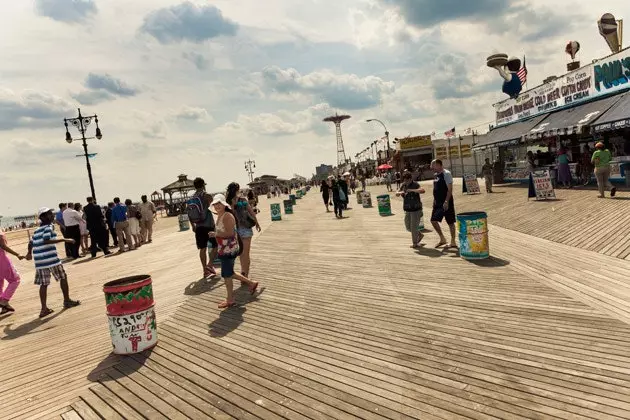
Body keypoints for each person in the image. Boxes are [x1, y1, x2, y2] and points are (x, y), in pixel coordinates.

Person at [26, 208, 80, 318]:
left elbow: (31, 243)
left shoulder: (37, 230)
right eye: (49, 214)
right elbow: (46, 240)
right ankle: (67, 301)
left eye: (51, 213)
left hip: (40, 261)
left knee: (44, 284)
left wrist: (29, 254)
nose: (52, 215)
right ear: (43, 217)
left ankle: (44, 309)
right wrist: (65, 240)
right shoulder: (49, 227)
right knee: (63, 277)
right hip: (50, 259)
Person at [210, 194, 258, 309]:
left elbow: (230, 233)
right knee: (228, 273)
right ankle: (248, 285)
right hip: (225, 249)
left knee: (228, 274)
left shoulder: (227, 216)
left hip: (229, 250)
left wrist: (216, 234)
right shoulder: (221, 216)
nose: (217, 206)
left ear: (224, 204)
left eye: (219, 204)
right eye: (215, 204)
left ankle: (231, 298)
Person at [226, 182, 261, 280]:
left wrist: (257, 223)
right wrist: (257, 223)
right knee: (243, 254)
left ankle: (244, 273)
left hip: (239, 230)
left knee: (243, 254)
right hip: (240, 230)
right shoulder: (232, 202)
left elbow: (250, 212)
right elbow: (251, 212)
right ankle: (244, 274)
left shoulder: (236, 201)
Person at [189, 177, 218, 279]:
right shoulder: (206, 196)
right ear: (204, 185)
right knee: (215, 246)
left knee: (202, 249)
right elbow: (214, 208)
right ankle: (209, 265)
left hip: (198, 226)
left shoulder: (191, 198)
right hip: (209, 224)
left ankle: (205, 271)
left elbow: (189, 212)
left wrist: (193, 225)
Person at [430, 159, 457, 248]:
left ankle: (453, 242)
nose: (431, 167)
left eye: (432, 165)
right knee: (433, 221)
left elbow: (450, 189)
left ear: (438, 165)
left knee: (450, 221)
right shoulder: (435, 175)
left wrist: (446, 201)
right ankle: (442, 239)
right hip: (437, 203)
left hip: (446, 201)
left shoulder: (446, 173)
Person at [396, 172, 425, 248]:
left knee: (413, 227)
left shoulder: (415, 184)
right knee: (408, 226)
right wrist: (400, 192)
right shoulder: (403, 185)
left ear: (410, 179)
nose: (406, 182)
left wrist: (412, 190)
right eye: (405, 180)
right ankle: (419, 234)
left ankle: (415, 243)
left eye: (407, 180)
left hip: (416, 209)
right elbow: (397, 193)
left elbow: (422, 190)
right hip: (408, 209)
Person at [0, 228, 25, 314]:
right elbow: (3, 245)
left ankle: (4, 307)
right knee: (15, 280)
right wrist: (17, 254)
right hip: (2, 260)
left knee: (0, 284)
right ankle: (4, 301)